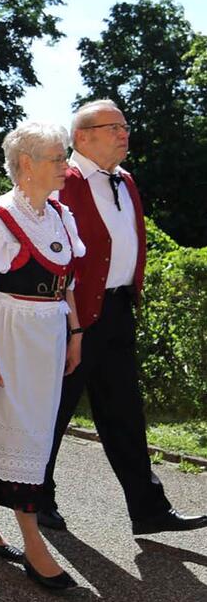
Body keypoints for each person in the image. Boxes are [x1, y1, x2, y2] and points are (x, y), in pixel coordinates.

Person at [41, 100, 206, 535]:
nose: (123, 133)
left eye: (124, 126)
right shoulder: (62, 180)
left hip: (115, 309)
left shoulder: (125, 180)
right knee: (53, 411)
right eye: (112, 127)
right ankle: (36, 498)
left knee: (124, 413)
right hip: (71, 312)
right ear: (82, 137)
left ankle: (149, 511)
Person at [0, 121, 84, 591]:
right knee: (19, 435)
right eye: (56, 157)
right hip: (8, 335)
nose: (65, 165)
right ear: (26, 165)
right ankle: (33, 544)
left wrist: (75, 332)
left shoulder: (60, 215)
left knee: (33, 436)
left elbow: (67, 283)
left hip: (46, 337)